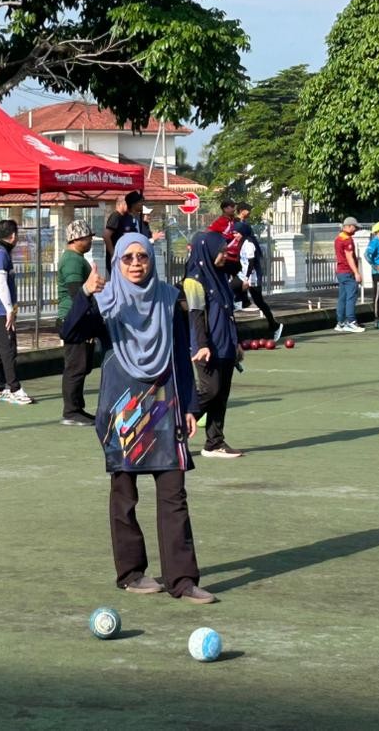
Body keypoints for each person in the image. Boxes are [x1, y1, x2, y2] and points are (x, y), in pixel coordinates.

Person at [60, 232, 217, 604]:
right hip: (122, 407)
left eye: (142, 256)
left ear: (151, 259)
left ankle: (182, 579)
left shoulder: (168, 298)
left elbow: (180, 355)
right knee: (125, 493)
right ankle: (131, 573)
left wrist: (190, 406)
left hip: (163, 402)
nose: (135, 264)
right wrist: (86, 294)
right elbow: (71, 331)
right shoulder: (107, 301)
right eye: (127, 257)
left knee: (174, 491)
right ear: (117, 262)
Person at [184, 230, 244, 459]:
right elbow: (196, 315)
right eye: (221, 251)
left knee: (222, 394)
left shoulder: (219, 276)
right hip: (206, 347)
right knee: (211, 390)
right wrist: (201, 345)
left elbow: (229, 312)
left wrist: (236, 343)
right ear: (207, 252)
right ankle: (175, 427)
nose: (224, 255)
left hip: (225, 343)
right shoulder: (194, 280)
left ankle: (214, 442)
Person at [0, 219, 34, 404]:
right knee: (8, 349)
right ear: (13, 236)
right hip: (0, 311)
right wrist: (8, 310)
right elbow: (1, 283)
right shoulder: (1, 255)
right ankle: (15, 388)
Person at [57, 220, 97, 426]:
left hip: (77, 318)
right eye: (87, 237)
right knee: (76, 366)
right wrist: (88, 316)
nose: (90, 240)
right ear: (76, 239)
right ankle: (71, 411)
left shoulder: (76, 258)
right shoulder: (72, 261)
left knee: (81, 365)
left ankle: (77, 408)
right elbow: (76, 292)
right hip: (73, 319)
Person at [234, 202, 282, 340]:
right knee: (231, 291)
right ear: (241, 211)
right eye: (247, 210)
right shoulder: (238, 228)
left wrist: (246, 279)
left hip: (251, 275)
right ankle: (241, 301)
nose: (234, 235)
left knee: (259, 301)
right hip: (243, 274)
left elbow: (251, 262)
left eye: (236, 233)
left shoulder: (249, 243)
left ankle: (274, 325)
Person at [103, 192, 162, 272]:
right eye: (139, 202)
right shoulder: (116, 216)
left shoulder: (131, 218)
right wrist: (113, 253)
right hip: (120, 259)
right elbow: (106, 235)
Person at [334, 216, 365, 333]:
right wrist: (357, 273)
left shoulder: (338, 238)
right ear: (349, 226)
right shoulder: (347, 240)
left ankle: (340, 322)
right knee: (351, 296)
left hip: (340, 272)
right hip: (347, 272)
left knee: (342, 297)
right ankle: (351, 321)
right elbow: (349, 257)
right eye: (355, 227)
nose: (356, 229)